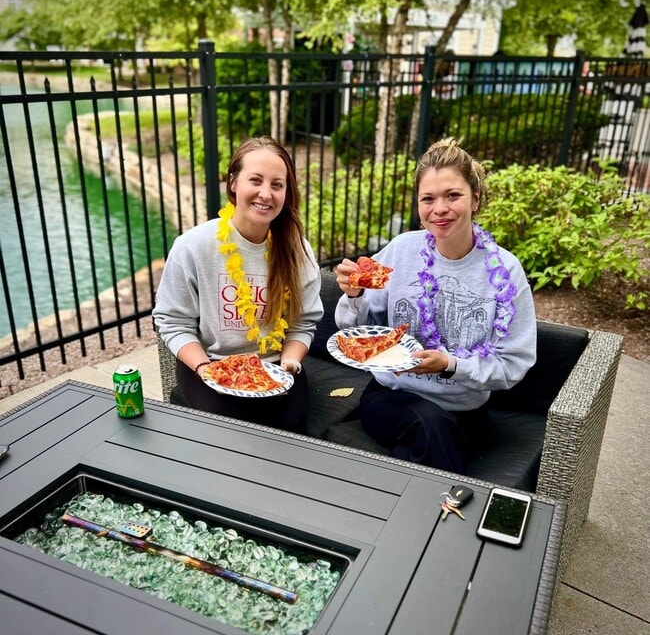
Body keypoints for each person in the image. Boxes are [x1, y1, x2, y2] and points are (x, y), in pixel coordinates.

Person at [334, 138, 536, 474]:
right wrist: (354, 295)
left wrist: (452, 365)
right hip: (390, 397)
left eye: (452, 195)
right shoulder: (402, 250)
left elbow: (514, 363)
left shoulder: (505, 271)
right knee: (433, 427)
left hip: (463, 411)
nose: (439, 208)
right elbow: (354, 332)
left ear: (475, 198)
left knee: (435, 430)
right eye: (428, 198)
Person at [153, 135, 323, 433]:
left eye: (277, 185)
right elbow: (173, 321)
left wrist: (290, 363)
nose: (265, 194)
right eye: (255, 180)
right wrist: (205, 369)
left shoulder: (298, 250)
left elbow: (303, 323)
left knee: (291, 429)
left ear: (287, 193)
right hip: (209, 364)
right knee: (229, 432)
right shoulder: (192, 247)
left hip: (275, 367)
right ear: (233, 183)